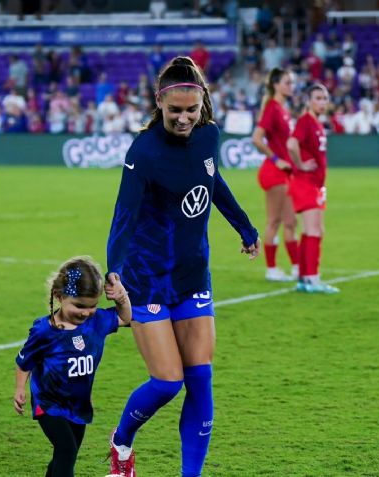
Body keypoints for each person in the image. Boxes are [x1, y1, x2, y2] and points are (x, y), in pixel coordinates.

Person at [105, 56, 260, 477]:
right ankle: (121, 444)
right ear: (160, 104)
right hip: (148, 280)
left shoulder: (209, 136)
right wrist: (113, 268)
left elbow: (214, 182)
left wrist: (244, 227)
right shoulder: (144, 152)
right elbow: (125, 214)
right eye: (175, 111)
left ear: (202, 102)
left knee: (201, 379)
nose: (184, 118)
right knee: (168, 383)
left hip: (193, 276)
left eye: (191, 110)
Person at [13, 256, 132, 477]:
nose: (86, 312)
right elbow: (24, 362)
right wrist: (20, 389)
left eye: (92, 306)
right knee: (66, 450)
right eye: (79, 306)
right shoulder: (44, 331)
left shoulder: (96, 323)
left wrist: (121, 298)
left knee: (66, 454)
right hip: (48, 404)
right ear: (59, 297)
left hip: (78, 405)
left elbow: (125, 318)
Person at [286, 83, 339, 294]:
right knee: (314, 230)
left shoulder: (316, 123)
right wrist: (299, 164)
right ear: (308, 100)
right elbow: (291, 144)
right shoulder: (306, 121)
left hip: (314, 184)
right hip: (305, 183)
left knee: (312, 230)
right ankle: (313, 279)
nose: (322, 102)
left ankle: (304, 279)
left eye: (325, 98)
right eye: (318, 98)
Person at [252, 67, 300, 282]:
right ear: (276, 85)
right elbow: (257, 138)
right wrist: (275, 159)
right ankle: (271, 269)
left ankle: (298, 269)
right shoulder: (272, 108)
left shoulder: (283, 108)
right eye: (287, 82)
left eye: (292, 82)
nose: (291, 86)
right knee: (274, 221)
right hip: (275, 173)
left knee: (290, 222)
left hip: (287, 173)